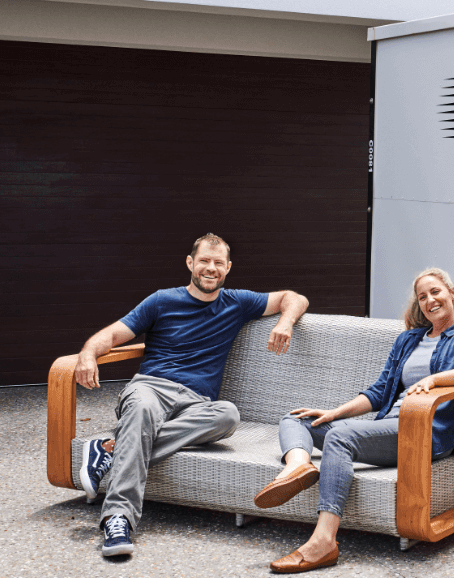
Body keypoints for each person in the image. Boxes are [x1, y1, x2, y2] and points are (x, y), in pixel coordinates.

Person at [73, 233, 308, 560]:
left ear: (227, 268)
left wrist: (285, 322)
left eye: (217, 263)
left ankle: (111, 451)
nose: (210, 269)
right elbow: (112, 334)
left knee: (228, 415)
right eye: (204, 261)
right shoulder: (161, 301)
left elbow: (294, 297)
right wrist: (87, 354)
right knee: (140, 409)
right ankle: (118, 519)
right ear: (190, 263)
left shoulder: (237, 302)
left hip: (197, 402)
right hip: (151, 388)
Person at [254, 266, 454, 573]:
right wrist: (333, 412)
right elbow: (379, 393)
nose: (430, 300)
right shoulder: (409, 340)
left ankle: (323, 542)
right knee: (297, 419)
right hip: (386, 425)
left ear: (451, 293)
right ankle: (298, 466)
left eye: (436, 292)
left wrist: (435, 380)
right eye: (422, 297)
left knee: (340, 438)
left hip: (423, 431)